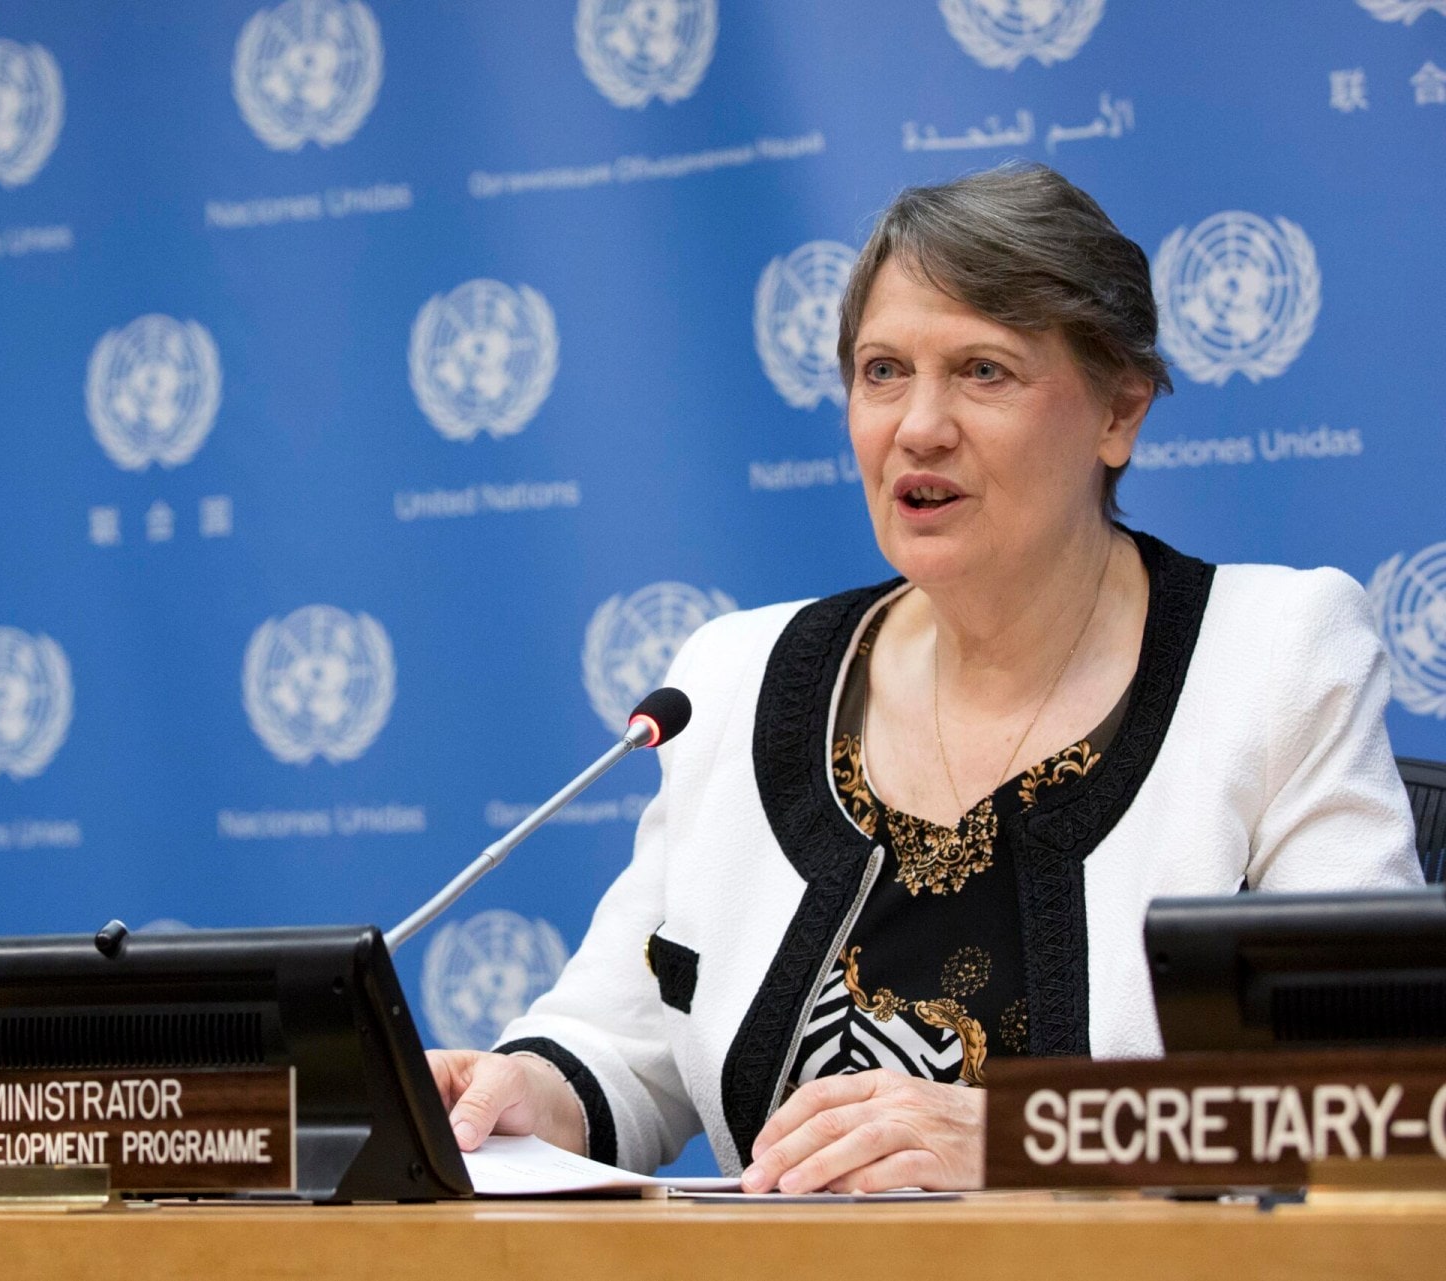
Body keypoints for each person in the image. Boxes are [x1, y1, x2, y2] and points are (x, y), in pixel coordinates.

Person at [425, 163, 1422, 1194]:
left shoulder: (1272, 655)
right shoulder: (739, 678)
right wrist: (516, 1093)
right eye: (883, 370)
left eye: (983, 371)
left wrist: (1023, 1141)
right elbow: (620, 1045)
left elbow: (1378, 1094)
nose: (918, 426)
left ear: (1120, 411)